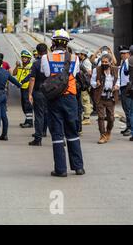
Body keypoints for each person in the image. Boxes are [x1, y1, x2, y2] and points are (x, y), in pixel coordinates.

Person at [41, 29, 85, 177]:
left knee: (57, 133)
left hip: (54, 98)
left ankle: (61, 170)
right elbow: (74, 74)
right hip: (70, 98)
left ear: (53, 42)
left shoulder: (46, 57)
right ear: (67, 43)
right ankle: (78, 167)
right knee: (72, 131)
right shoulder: (74, 58)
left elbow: (47, 74)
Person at [0, 55, 21, 141]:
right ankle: (4, 135)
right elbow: (14, 81)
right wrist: (20, 85)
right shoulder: (6, 72)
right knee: (4, 116)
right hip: (3, 95)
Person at [91, 54, 119, 144]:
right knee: (101, 117)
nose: (104, 64)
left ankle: (108, 132)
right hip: (100, 97)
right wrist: (96, 84)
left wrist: (116, 86)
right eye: (102, 62)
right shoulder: (97, 69)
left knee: (111, 118)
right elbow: (92, 82)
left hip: (110, 98)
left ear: (110, 62)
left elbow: (118, 80)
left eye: (106, 62)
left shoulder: (115, 70)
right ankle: (102, 135)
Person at [28, 43, 49, 146]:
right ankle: (60, 138)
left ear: (37, 52)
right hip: (51, 92)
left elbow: (32, 79)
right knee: (53, 115)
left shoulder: (36, 64)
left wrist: (30, 94)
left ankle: (38, 138)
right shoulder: (51, 62)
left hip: (39, 92)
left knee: (39, 115)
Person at [14, 50, 34, 128]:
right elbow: (14, 73)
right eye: (23, 58)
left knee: (28, 105)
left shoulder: (31, 66)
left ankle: (29, 122)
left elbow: (30, 77)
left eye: (26, 58)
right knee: (23, 105)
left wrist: (22, 81)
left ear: (29, 59)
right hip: (22, 87)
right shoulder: (20, 66)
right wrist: (16, 66)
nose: (24, 59)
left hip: (28, 87)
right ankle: (27, 120)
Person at [76, 49, 93, 126]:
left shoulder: (86, 62)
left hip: (85, 84)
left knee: (85, 101)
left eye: (80, 54)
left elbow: (89, 72)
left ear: (83, 55)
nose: (79, 55)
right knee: (84, 100)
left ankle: (87, 118)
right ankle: (86, 117)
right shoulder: (83, 61)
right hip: (83, 83)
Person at [118, 45, 131, 136]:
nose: (122, 55)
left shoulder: (128, 62)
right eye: (121, 53)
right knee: (126, 109)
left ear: (128, 54)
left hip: (126, 87)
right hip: (123, 87)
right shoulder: (124, 62)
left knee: (128, 109)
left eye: (124, 53)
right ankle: (128, 126)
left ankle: (130, 128)